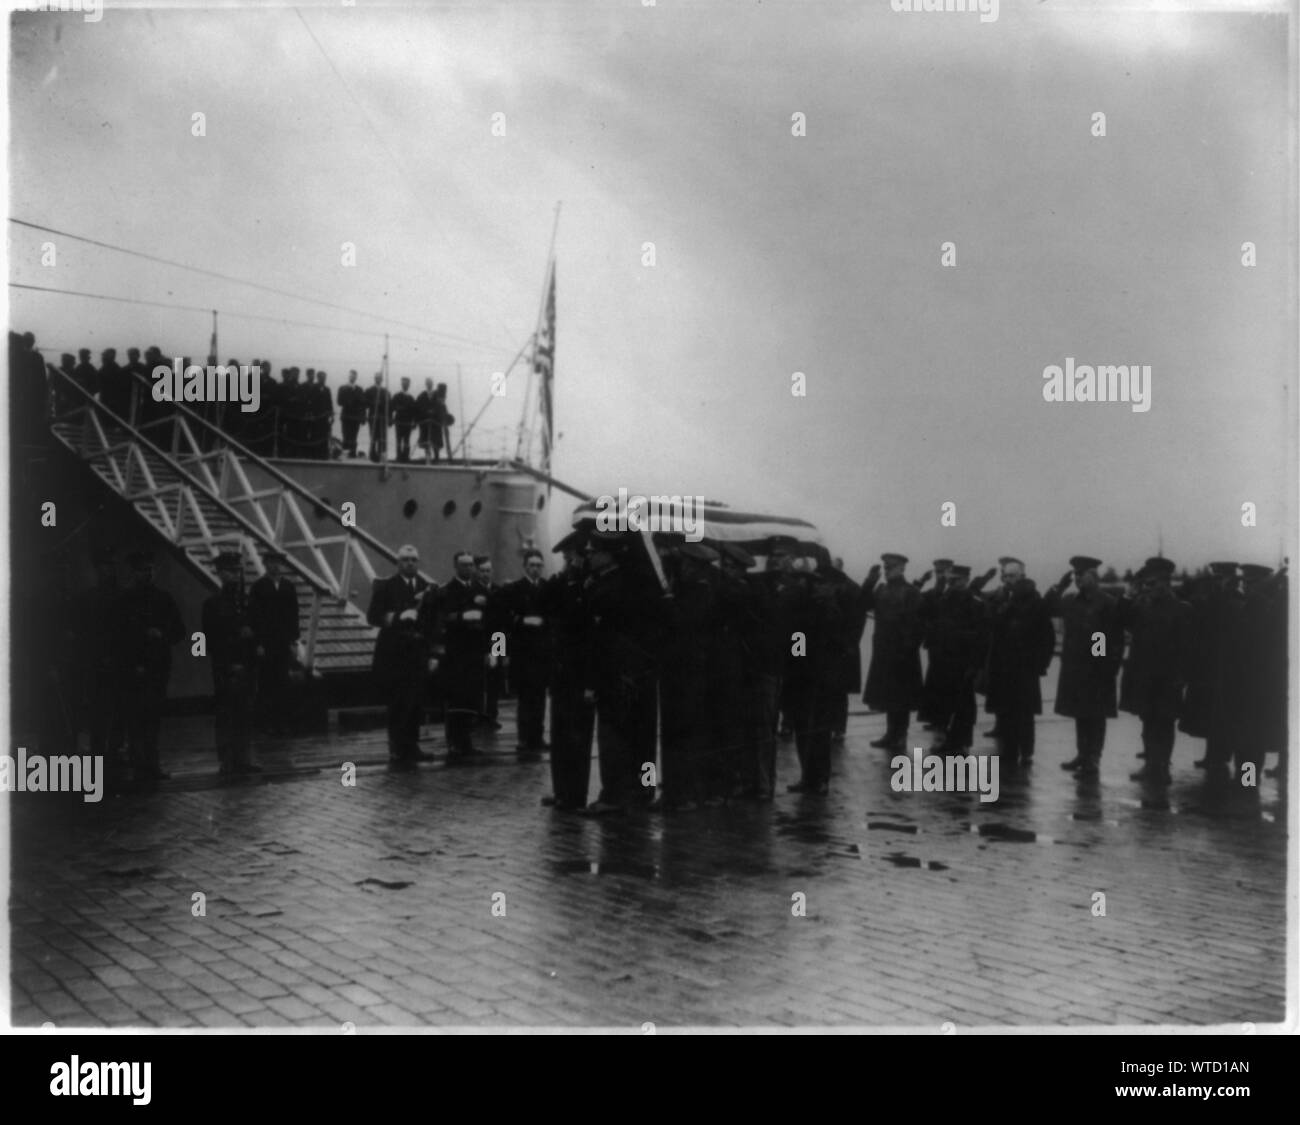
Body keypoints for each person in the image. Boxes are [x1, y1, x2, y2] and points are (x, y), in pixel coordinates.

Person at [581, 530, 661, 815]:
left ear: (607, 554)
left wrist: (592, 681)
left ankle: (613, 795)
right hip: (640, 671)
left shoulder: (605, 588)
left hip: (613, 673)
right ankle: (644, 789)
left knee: (613, 737)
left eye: (593, 551)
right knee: (644, 736)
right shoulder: (637, 582)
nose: (588, 555)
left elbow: (599, 640)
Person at [1046, 555, 1124, 777]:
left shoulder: (1106, 603)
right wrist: (1059, 586)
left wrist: (1100, 665)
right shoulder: (1071, 600)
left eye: (1082, 574)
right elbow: (1048, 606)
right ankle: (1082, 754)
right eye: (1076, 575)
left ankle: (1093, 760)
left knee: (1095, 715)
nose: (1078, 579)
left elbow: (1106, 636)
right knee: (1080, 714)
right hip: (1075, 667)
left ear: (1094, 576)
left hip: (1096, 670)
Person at [1119, 557, 1193, 785]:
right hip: (1144, 675)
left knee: (1165, 722)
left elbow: (1189, 647)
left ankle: (1162, 767)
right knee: (1148, 721)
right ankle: (1152, 764)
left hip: (1168, 677)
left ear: (1165, 582)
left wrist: (1183, 676)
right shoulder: (1141, 606)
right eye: (1146, 584)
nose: (1148, 588)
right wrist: (1128, 595)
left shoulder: (1181, 609)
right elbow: (1119, 620)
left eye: (1152, 584)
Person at [117, 551, 185, 783]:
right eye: (142, 570)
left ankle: (152, 765)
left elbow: (179, 631)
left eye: (150, 569)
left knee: (153, 719)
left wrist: (162, 633)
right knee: (137, 718)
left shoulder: (164, 599)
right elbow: (120, 636)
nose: (147, 573)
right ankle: (139, 765)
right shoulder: (125, 600)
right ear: (134, 572)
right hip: (135, 668)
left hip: (158, 667)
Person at [981, 557, 1055, 768]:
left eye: (1012, 576)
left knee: (1024, 712)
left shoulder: (1034, 601)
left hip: (1024, 667)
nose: (1007, 580)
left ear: (1022, 576)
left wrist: (1040, 664)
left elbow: (1047, 637)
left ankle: (1027, 751)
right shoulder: (1002, 599)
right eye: (1005, 576)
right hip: (1003, 666)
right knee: (1005, 710)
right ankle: (1009, 750)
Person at [366, 544, 436, 766]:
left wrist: (433, 654)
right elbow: (373, 616)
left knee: (416, 701)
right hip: (395, 654)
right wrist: (397, 617)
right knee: (397, 702)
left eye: (414, 560)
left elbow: (433, 623)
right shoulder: (386, 587)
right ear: (398, 563)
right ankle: (396, 746)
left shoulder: (426, 588)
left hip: (417, 653)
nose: (410, 564)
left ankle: (412, 745)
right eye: (406, 560)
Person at [542, 531, 594, 810]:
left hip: (577, 673)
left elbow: (588, 638)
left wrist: (589, 682)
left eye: (571, 558)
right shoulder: (565, 584)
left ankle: (575, 794)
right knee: (559, 734)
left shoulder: (587, 588)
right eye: (565, 559)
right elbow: (546, 603)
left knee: (576, 737)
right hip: (560, 671)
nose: (567, 562)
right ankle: (561, 790)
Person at [202, 551, 262, 776]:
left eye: (237, 571)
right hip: (226, 668)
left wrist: (253, 641)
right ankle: (227, 760)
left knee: (245, 714)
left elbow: (258, 632)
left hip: (248, 666)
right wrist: (232, 656)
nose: (235, 576)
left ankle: (243, 758)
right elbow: (211, 640)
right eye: (229, 572)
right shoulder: (212, 604)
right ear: (220, 574)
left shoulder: (248, 602)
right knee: (227, 713)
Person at [72, 546, 125, 785]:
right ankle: (98, 759)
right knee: (98, 717)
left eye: (111, 566)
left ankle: (113, 756)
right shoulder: (87, 600)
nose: (108, 571)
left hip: (120, 664)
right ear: (97, 569)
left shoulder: (124, 597)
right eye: (104, 566)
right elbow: (84, 635)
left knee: (119, 715)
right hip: (97, 667)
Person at [861, 553, 924, 751]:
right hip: (884, 650)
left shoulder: (911, 592)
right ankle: (891, 734)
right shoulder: (881, 589)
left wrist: (907, 648)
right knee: (889, 694)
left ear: (902, 568)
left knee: (901, 697)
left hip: (902, 653)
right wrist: (869, 581)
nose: (887, 571)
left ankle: (900, 736)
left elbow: (917, 625)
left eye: (891, 567)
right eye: (886, 568)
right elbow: (862, 604)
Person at [432, 550, 490, 762]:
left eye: (471, 565)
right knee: (456, 700)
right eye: (464, 565)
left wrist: (495, 651)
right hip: (456, 653)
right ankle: (454, 743)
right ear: (456, 567)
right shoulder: (446, 591)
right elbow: (441, 619)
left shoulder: (480, 590)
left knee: (472, 699)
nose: (468, 569)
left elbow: (494, 622)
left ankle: (467, 742)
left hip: (475, 653)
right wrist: (462, 617)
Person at [922, 564, 987, 753]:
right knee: (939, 701)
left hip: (963, 662)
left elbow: (982, 638)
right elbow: (926, 615)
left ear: (966, 580)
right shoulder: (941, 600)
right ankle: (940, 738)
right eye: (949, 580)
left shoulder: (976, 604)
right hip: (941, 660)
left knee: (964, 705)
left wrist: (976, 665)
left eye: (956, 580)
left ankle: (962, 742)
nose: (952, 584)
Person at [505, 549, 551, 757]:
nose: (535, 569)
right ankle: (524, 738)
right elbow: (504, 620)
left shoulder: (547, 588)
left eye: (538, 565)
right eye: (532, 565)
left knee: (540, 698)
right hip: (523, 653)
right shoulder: (514, 589)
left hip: (542, 653)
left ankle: (537, 736)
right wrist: (523, 621)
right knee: (525, 699)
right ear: (525, 566)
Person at [249, 551, 301, 734]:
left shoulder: (288, 586)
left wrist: (294, 641)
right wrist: (258, 643)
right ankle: (267, 723)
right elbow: (254, 617)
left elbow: (294, 615)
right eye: (271, 562)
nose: (275, 566)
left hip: (283, 641)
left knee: (282, 682)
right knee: (266, 683)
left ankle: (282, 722)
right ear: (265, 564)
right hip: (267, 641)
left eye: (277, 562)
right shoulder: (258, 587)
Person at [476, 555, 506, 730]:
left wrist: (500, 652)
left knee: (495, 679)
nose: (485, 574)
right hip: (481, 640)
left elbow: (502, 620)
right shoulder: (473, 591)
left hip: (497, 638)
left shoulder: (498, 590)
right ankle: (479, 716)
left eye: (488, 570)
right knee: (480, 681)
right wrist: (486, 651)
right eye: (482, 571)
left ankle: (491, 715)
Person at [338, 371, 365, 458]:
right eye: (351, 376)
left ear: (356, 378)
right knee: (346, 436)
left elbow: (362, 404)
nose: (352, 378)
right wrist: (348, 401)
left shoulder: (359, 389)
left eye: (354, 376)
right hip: (346, 416)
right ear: (348, 377)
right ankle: (345, 455)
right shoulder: (342, 388)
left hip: (355, 417)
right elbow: (339, 401)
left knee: (354, 437)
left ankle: (352, 454)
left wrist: (362, 417)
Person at [365, 373, 389, 462]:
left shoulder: (385, 391)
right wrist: (374, 403)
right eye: (376, 378)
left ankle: (381, 456)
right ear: (374, 379)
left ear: (381, 379)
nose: (378, 379)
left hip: (382, 418)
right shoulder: (369, 390)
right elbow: (365, 403)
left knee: (382, 438)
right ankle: (372, 456)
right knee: (373, 437)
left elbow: (388, 405)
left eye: (379, 378)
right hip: (373, 417)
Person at [391, 377, 416, 462]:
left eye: (407, 383)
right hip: (399, 421)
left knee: (407, 440)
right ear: (401, 384)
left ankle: (406, 457)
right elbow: (392, 407)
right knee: (398, 439)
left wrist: (414, 423)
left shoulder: (411, 398)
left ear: (409, 385)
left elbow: (414, 411)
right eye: (403, 383)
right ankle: (398, 456)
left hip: (408, 422)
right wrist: (392, 419)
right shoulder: (397, 396)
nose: (405, 385)